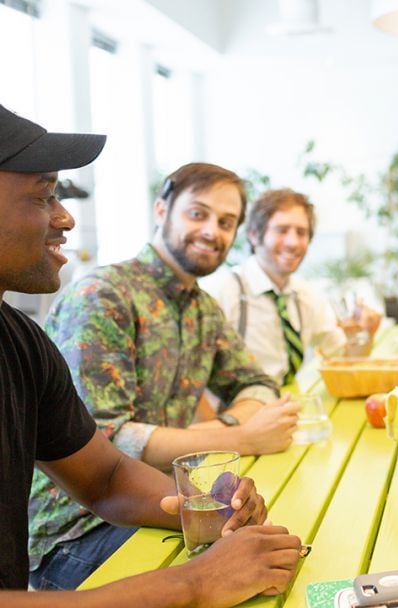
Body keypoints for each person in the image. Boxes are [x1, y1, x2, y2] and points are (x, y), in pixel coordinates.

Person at [0, 103, 302, 606]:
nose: (66, 216)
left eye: (226, 221)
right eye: (43, 195)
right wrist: (194, 583)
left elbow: (106, 474)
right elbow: (112, 437)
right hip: (71, 539)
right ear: (163, 210)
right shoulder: (104, 293)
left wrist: (206, 505)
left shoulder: (21, 341)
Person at [201, 188, 382, 387]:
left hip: (287, 404)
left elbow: (344, 360)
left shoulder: (305, 295)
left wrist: (365, 334)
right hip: (234, 411)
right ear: (254, 235)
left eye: (301, 232)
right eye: (282, 230)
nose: (293, 242)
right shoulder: (219, 292)